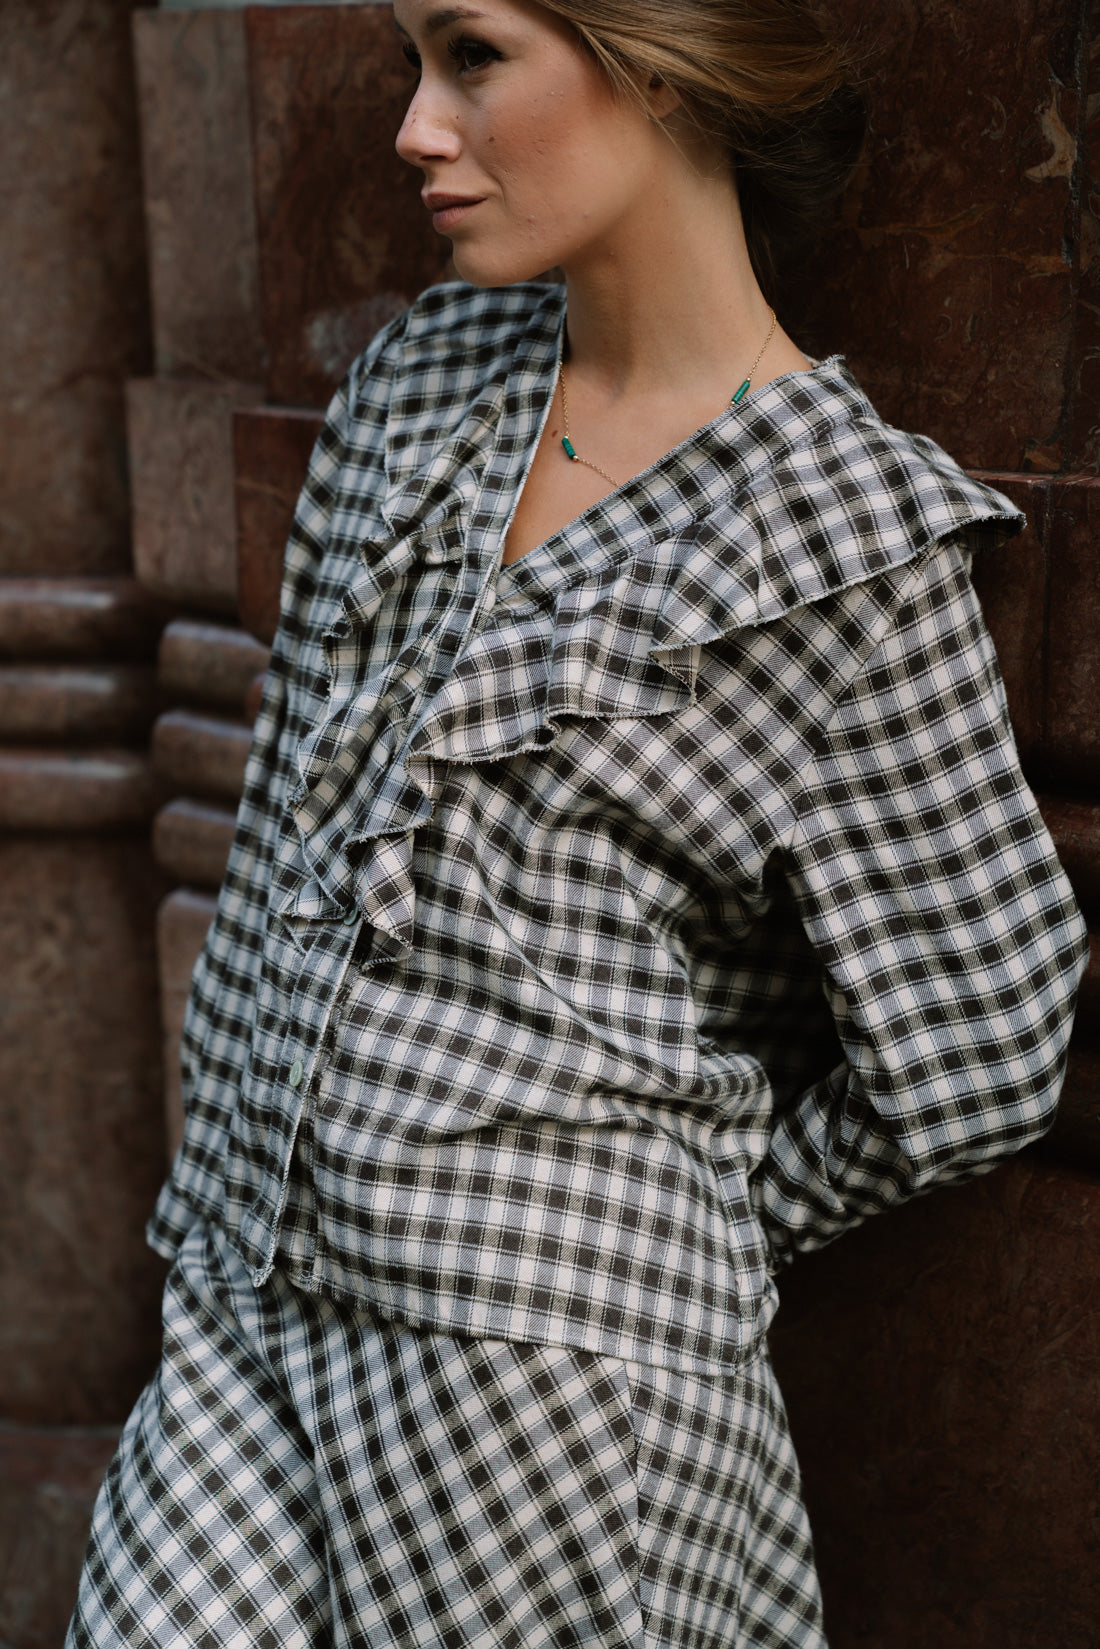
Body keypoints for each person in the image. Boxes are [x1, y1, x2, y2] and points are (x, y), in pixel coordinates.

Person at [69, 2, 1087, 1646]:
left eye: (472, 56)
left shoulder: (848, 539)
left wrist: (674, 1221)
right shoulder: (419, 387)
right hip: (245, 1317)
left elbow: (984, 1050)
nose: (415, 126)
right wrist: (224, 1235)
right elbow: (274, 847)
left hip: (555, 1400)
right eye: (410, 62)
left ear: (660, 62)